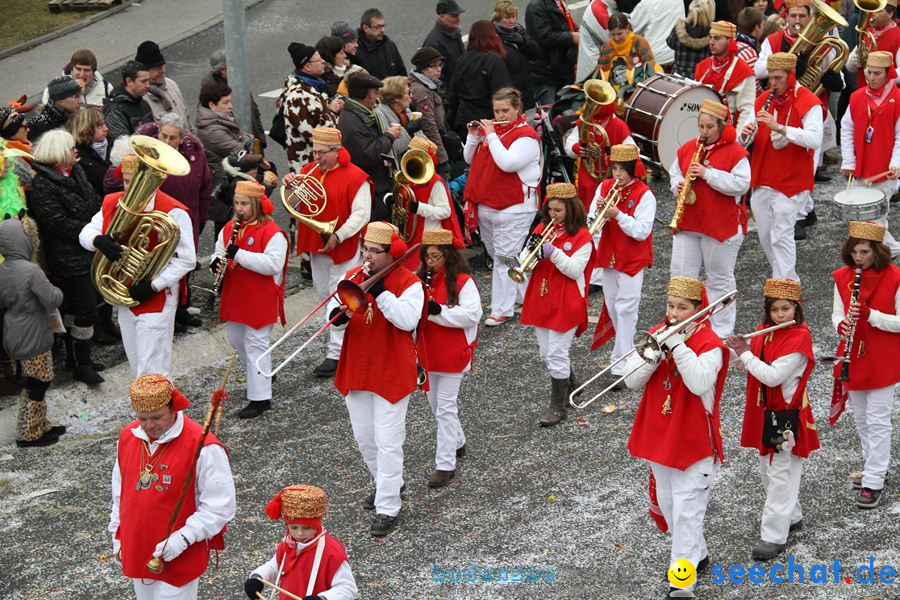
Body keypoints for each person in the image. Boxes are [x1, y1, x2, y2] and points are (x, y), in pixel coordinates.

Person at [625, 276, 727, 599]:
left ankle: (681, 583)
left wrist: (678, 345)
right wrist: (653, 355)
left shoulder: (712, 346)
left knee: (686, 511)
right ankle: (697, 552)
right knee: (671, 509)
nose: (673, 313)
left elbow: (698, 383)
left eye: (682, 308)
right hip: (660, 437)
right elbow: (630, 381)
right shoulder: (658, 335)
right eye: (671, 306)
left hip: (694, 442)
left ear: (700, 311)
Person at [329, 222, 424, 537]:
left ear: (390, 253)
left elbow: (407, 320)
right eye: (365, 249)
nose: (367, 256)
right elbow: (335, 318)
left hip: (392, 369)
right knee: (365, 438)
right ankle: (389, 483)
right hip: (358, 366)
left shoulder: (410, 283)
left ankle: (388, 506)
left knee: (388, 442)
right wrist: (338, 316)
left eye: (374, 251)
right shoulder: (353, 276)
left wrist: (380, 291)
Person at [108, 374, 236, 600]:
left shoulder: (203, 446)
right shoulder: (127, 438)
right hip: (138, 549)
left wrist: (182, 539)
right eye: (142, 418)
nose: (149, 426)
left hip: (180, 554)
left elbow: (220, 508)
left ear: (173, 408)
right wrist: (117, 534)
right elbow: (121, 494)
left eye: (157, 418)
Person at [79, 153, 196, 377]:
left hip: (158, 295)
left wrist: (153, 285)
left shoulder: (174, 211)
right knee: (137, 367)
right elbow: (86, 232)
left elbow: (187, 259)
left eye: (137, 181)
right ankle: (148, 412)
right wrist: (99, 241)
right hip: (124, 294)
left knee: (153, 369)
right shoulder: (113, 202)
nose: (130, 188)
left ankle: (161, 411)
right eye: (126, 181)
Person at [725, 278, 818, 560]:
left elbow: (772, 376)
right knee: (769, 469)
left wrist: (745, 353)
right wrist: (730, 351)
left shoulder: (799, 338)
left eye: (786, 309)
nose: (780, 315)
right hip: (766, 413)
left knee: (779, 473)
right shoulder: (766, 331)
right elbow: (749, 362)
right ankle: (792, 516)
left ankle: (773, 535)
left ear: (796, 309)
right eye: (775, 309)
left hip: (785, 417)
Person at [283, 127, 371, 378]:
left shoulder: (356, 177)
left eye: (322, 152)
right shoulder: (308, 172)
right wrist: (290, 187)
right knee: (324, 293)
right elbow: (296, 206)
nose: (317, 157)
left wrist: (338, 235)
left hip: (343, 243)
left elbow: (362, 214)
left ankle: (336, 352)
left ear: (337, 151)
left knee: (339, 296)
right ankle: (346, 345)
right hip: (316, 243)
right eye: (315, 152)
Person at [830, 221, 900, 509]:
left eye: (865, 252)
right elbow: (836, 314)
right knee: (861, 418)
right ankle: (875, 468)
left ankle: (874, 481)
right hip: (853, 356)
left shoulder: (895, 277)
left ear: (877, 251)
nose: (859, 258)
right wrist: (842, 325)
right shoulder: (842, 276)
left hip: (883, 356)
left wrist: (871, 315)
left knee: (878, 421)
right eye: (855, 252)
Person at [28, 130, 105, 385]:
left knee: (84, 305)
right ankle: (82, 364)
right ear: (59, 153)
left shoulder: (76, 172)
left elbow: (94, 202)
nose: (76, 151)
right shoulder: (43, 184)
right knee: (84, 309)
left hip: (88, 249)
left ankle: (77, 358)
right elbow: (56, 223)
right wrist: (89, 231)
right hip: (68, 257)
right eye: (71, 148)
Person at [669, 100, 750, 337]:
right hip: (689, 223)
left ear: (722, 126)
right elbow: (674, 172)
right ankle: (682, 327)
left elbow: (741, 184)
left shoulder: (736, 153)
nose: (703, 132)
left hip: (720, 225)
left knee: (719, 279)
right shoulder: (688, 148)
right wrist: (678, 184)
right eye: (701, 126)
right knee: (682, 276)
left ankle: (721, 331)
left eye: (709, 127)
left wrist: (708, 174)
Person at [739, 52, 822, 282]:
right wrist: (745, 135)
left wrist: (781, 128)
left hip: (792, 179)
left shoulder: (808, 101)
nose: (773, 83)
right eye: (770, 78)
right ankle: (786, 280)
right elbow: (742, 140)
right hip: (763, 175)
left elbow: (814, 140)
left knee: (781, 236)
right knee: (766, 236)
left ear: (790, 75)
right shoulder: (762, 100)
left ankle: (783, 285)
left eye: (778, 78)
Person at [463, 87, 541, 327]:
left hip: (515, 207)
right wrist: (474, 137)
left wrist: (491, 135)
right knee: (503, 256)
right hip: (489, 205)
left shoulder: (526, 136)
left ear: (518, 110)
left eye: (505, 110)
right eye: (496, 111)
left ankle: (502, 309)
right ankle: (525, 297)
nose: (499, 115)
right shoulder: (491, 133)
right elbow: (469, 159)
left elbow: (508, 163)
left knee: (504, 258)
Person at [212, 181, 287, 419]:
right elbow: (218, 250)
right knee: (236, 340)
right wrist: (216, 262)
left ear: (256, 204)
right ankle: (263, 371)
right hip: (236, 294)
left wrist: (240, 255)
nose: (240, 208)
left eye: (244, 204)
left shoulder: (273, 233)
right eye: (237, 203)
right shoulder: (230, 227)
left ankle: (260, 398)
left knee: (256, 344)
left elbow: (272, 265)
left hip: (260, 297)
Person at [520, 183, 592, 427]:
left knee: (556, 353)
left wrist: (552, 252)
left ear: (570, 209)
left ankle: (557, 407)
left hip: (567, 299)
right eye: (550, 209)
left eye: (558, 210)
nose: (553, 215)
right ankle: (571, 383)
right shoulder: (542, 227)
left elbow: (574, 270)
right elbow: (524, 261)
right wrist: (528, 256)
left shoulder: (583, 237)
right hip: (543, 297)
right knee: (546, 353)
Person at [136, 113, 213, 329]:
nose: (167, 142)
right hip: (159, 225)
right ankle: (166, 313)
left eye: (173, 138)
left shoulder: (195, 157)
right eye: (164, 136)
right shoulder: (149, 155)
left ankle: (182, 308)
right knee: (161, 268)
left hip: (188, 219)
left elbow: (205, 187)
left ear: (181, 139)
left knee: (184, 267)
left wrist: (201, 218)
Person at [416, 228, 480, 486]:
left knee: (445, 408)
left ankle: (445, 464)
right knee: (436, 408)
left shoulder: (464, 282)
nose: (430, 262)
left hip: (453, 353)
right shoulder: (420, 280)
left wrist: (437, 311)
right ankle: (459, 441)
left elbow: (471, 316)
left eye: (435, 257)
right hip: (427, 353)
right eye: (427, 257)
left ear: (448, 256)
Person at [589, 144, 655, 388]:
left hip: (632, 257)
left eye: (622, 170)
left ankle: (621, 362)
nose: (617, 174)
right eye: (614, 168)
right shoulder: (604, 187)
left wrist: (618, 215)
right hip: (608, 254)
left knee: (627, 308)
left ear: (632, 170)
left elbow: (641, 231)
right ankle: (626, 357)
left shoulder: (644, 194)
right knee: (614, 306)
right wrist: (596, 215)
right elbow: (590, 220)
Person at [0, 218, 65, 448]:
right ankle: (29, 433)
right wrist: (57, 290)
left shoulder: (3, 269)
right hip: (34, 332)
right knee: (39, 382)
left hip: (14, 331)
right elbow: (52, 298)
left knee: (33, 381)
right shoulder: (31, 270)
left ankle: (39, 424)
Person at [245, 485, 358, 600]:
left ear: (316, 524)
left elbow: (348, 588)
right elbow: (276, 566)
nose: (299, 533)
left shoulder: (331, 551)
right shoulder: (288, 543)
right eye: (293, 528)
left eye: (306, 528)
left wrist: (323, 598)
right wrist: (257, 577)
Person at [839, 51, 900, 257]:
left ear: (888, 73)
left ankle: (879, 256)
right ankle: (889, 249)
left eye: (877, 74)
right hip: (860, 169)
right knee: (859, 217)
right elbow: (846, 128)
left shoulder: (898, 100)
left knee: (876, 217)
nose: (872, 78)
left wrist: (896, 163)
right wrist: (848, 160)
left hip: (885, 170)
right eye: (869, 73)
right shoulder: (857, 97)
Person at [391, 136, 464, 271]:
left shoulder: (435, 182)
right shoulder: (407, 177)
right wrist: (391, 198)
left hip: (427, 234)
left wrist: (419, 207)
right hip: (410, 232)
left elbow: (445, 211)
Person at [338, 72, 403, 222]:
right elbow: (369, 154)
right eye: (375, 92)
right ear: (366, 96)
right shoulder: (353, 123)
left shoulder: (360, 114)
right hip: (371, 189)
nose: (377, 96)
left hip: (376, 186)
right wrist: (389, 136)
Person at [563, 79, 634, 210]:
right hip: (588, 175)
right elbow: (570, 143)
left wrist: (614, 157)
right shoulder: (585, 121)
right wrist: (576, 148)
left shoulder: (618, 125)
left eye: (598, 104)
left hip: (611, 177)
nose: (592, 106)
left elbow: (632, 151)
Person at [196, 80, 253, 238]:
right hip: (220, 187)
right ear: (212, 105)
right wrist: (247, 140)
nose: (230, 106)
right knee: (225, 229)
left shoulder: (222, 119)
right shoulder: (212, 131)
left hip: (225, 182)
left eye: (230, 101)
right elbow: (241, 150)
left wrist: (246, 139)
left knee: (226, 225)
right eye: (225, 102)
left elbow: (244, 138)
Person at [280, 42, 344, 172]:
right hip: (310, 168)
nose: (323, 61)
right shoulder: (299, 97)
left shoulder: (312, 86)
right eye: (318, 59)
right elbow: (317, 135)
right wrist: (332, 111)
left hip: (317, 164)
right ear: (307, 66)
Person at [448, 21, 512, 137]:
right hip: (488, 123)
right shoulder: (494, 60)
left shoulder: (462, 60)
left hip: (465, 120)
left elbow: (453, 94)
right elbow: (503, 94)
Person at [694, 21, 757, 134]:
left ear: (730, 41)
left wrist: (737, 140)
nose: (712, 42)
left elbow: (747, 111)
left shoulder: (743, 71)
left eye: (717, 38)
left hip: (727, 133)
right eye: (711, 37)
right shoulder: (702, 66)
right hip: (701, 130)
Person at [204, 49, 266, 145]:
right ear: (222, 70)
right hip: (234, 147)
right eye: (233, 66)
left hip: (252, 141)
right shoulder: (211, 91)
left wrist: (260, 136)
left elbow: (253, 109)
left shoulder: (239, 79)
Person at [525, 0, 579, 106]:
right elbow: (544, 36)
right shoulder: (536, 6)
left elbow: (564, 25)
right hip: (546, 72)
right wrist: (572, 37)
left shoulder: (559, 3)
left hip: (561, 68)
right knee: (548, 113)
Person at [597, 13, 663, 98]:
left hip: (638, 88)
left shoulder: (638, 41)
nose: (616, 38)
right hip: (615, 91)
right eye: (613, 34)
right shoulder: (607, 46)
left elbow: (650, 62)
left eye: (619, 34)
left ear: (627, 28)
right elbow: (602, 69)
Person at [409, 48, 451, 178]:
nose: (438, 69)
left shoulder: (430, 86)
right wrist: (442, 158)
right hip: (431, 148)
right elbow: (429, 126)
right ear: (422, 68)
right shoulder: (422, 91)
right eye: (433, 66)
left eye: (440, 65)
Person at [493, 0, 541, 110]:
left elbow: (536, 53)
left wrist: (523, 42)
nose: (512, 21)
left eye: (513, 17)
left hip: (527, 86)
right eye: (507, 17)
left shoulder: (519, 30)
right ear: (498, 18)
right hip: (509, 90)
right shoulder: (494, 36)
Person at [135, 41, 192, 129]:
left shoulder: (171, 84)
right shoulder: (140, 96)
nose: (163, 70)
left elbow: (186, 117)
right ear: (144, 71)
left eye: (162, 66)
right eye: (157, 67)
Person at [844, 0, 900, 90]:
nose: (872, 14)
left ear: (890, 14)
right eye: (872, 10)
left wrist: (879, 75)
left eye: (878, 11)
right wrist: (853, 60)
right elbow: (849, 68)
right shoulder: (867, 33)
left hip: (888, 96)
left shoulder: (898, 36)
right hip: (863, 92)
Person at [40, 49, 114, 108]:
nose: (81, 75)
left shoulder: (106, 88)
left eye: (86, 70)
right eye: (78, 69)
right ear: (72, 69)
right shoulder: (54, 88)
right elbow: (44, 113)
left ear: (93, 71)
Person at [103, 61, 154, 146]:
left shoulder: (144, 104)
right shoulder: (115, 110)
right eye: (143, 81)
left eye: (148, 81)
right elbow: (122, 145)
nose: (148, 85)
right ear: (129, 81)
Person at [628, 0, 687, 70]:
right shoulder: (679, 1)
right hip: (674, 56)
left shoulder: (648, 3)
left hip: (655, 59)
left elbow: (631, 28)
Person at [375, 76, 424, 159]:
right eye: (408, 93)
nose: (411, 96)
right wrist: (407, 130)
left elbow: (420, 138)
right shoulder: (380, 114)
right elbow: (392, 149)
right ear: (396, 97)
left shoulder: (406, 111)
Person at [66, 107, 110, 196]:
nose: (106, 129)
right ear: (85, 128)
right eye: (99, 126)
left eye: (104, 124)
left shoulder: (113, 144)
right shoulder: (75, 154)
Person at [666, 0, 715, 79]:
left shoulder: (679, 29)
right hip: (701, 80)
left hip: (677, 77)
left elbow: (670, 43)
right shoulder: (713, 35)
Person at [355, 8, 407, 79]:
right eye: (378, 27)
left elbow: (402, 73)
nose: (383, 30)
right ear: (365, 28)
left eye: (383, 26)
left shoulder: (390, 46)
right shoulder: (355, 49)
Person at [27, 75, 83, 142]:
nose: (81, 101)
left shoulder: (72, 117)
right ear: (60, 100)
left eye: (80, 96)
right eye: (76, 96)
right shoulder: (39, 127)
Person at [424, 0, 466, 86]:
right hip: (452, 92)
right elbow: (433, 76)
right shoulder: (434, 43)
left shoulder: (455, 33)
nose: (458, 19)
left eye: (458, 15)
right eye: (453, 16)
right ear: (441, 15)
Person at [576, 0, 614, 81]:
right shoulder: (598, 8)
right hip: (594, 74)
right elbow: (619, 42)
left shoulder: (608, 5)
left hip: (600, 70)